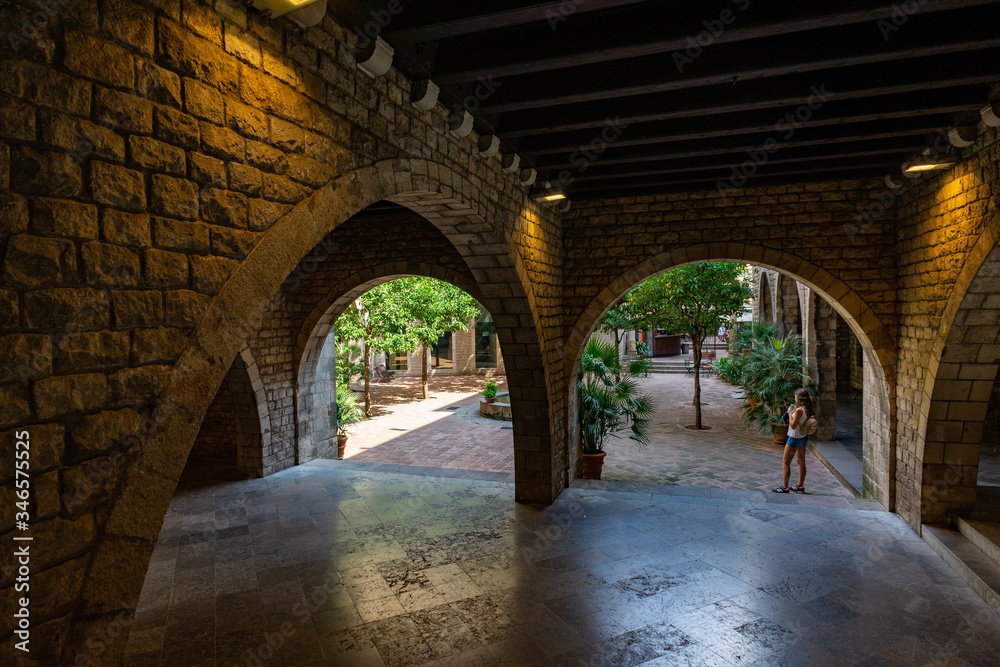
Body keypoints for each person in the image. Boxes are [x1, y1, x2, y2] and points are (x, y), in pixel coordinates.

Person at [773, 388, 814, 493]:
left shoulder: (799, 410)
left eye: (795, 396)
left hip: (795, 437)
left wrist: (790, 412)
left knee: (786, 462)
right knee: (801, 461)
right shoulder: (807, 408)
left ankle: (784, 487)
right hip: (803, 437)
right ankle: (800, 486)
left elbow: (793, 425)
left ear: (799, 398)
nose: (794, 398)